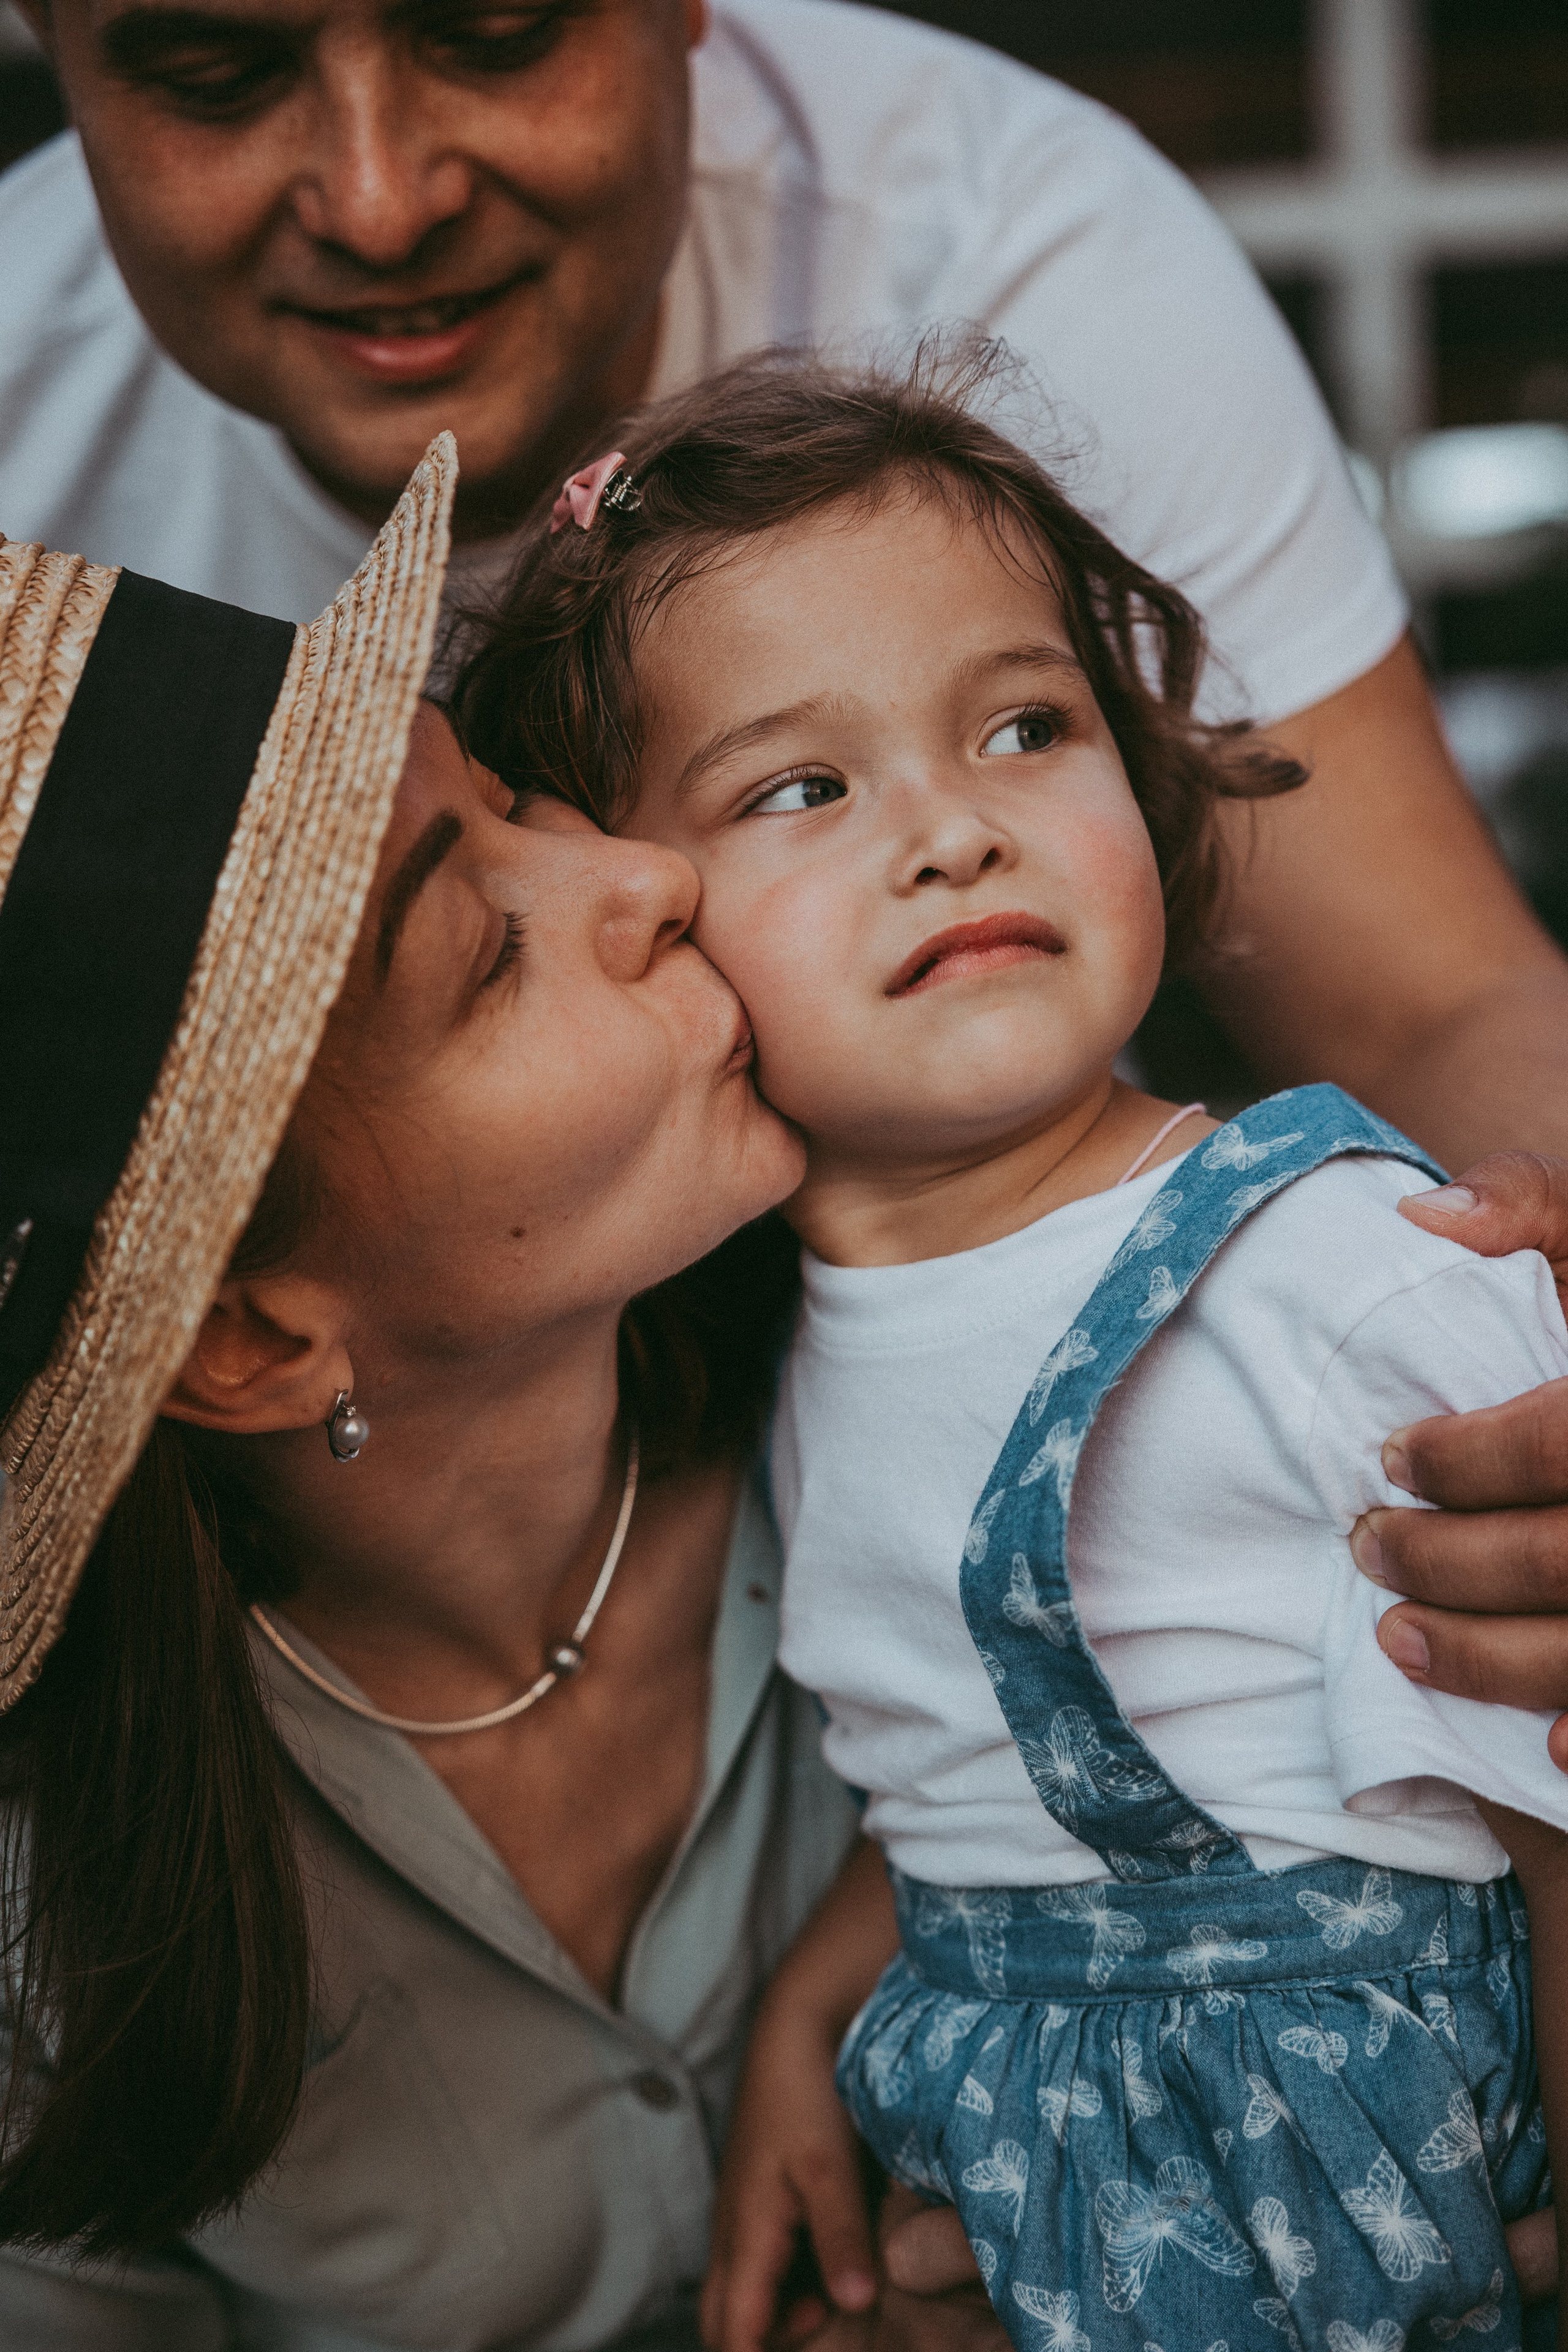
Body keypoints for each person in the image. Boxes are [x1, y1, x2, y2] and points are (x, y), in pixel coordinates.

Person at [6, 0, 1568, 1727]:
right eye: (213, 77)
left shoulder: (1024, 253)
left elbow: (1440, 996)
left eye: (495, 29)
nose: (379, 201)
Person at [448, 347, 1568, 2352]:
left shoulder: (1336, 1270)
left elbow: (1554, 1786)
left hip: (1356, 2187)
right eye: (803, 786)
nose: (953, 831)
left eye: (1026, 726)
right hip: (1037, 2181)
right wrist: (826, 1986)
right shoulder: (779, 1339)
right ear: (648, 919)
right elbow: (990, 1767)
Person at [0, 450, 981, 2351]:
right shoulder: (57, 1926)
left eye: (521, 802)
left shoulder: (956, 1348)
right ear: (248, 1347)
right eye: (488, 948)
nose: (646, 872)